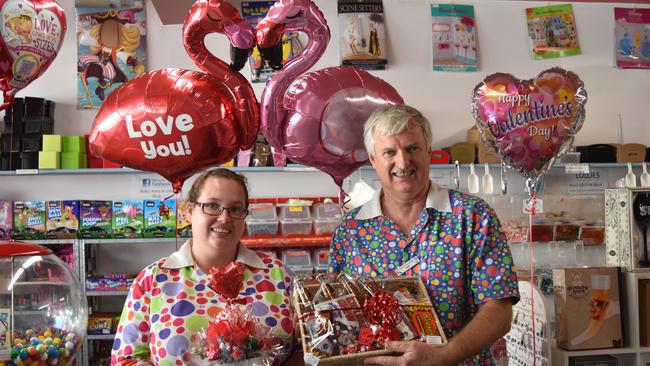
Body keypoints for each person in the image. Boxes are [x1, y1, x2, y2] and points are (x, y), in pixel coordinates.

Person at [328, 105, 519, 366]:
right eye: (389, 152)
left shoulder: (473, 217)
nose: (403, 162)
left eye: (412, 148)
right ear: (373, 159)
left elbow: (499, 310)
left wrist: (444, 355)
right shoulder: (349, 231)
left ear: (429, 152)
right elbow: (339, 310)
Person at [111, 168, 294, 365]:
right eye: (212, 205)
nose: (224, 218)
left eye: (235, 209)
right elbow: (126, 359)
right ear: (189, 212)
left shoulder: (276, 274)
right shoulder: (152, 280)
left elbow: (307, 349)